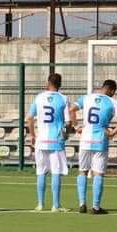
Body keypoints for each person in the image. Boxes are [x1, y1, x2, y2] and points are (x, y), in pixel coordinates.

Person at [72, 79, 117, 214]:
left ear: (102, 87)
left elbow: (71, 109)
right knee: (98, 174)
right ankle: (96, 207)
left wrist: (76, 126)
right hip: (100, 140)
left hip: (85, 139)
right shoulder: (112, 102)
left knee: (83, 171)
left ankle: (82, 204)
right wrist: (113, 132)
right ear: (112, 91)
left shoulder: (87, 97)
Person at [25, 73, 71, 212]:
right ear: (60, 84)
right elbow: (68, 122)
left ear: (47, 82)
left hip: (41, 140)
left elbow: (29, 118)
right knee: (56, 172)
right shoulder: (63, 98)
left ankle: (40, 204)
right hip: (56, 141)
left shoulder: (39, 98)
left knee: (41, 172)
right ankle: (55, 205)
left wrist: (33, 135)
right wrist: (66, 133)